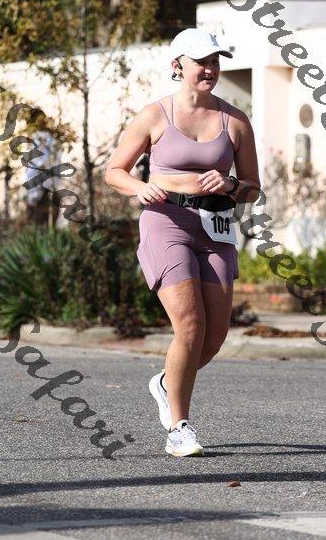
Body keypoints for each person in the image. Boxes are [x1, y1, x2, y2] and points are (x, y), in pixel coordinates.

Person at [104, 27, 260, 457]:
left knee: (214, 335)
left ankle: (164, 382)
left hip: (216, 226)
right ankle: (179, 427)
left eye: (215, 61)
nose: (210, 69)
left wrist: (231, 184)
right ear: (177, 66)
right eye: (201, 62)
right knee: (189, 325)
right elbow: (114, 171)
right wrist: (139, 187)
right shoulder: (154, 116)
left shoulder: (234, 121)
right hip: (166, 222)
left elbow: (252, 187)